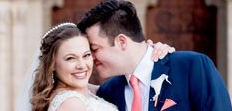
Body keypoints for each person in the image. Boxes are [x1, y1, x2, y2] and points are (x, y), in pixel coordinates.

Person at [77, 0, 232, 111]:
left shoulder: (192, 67)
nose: (90, 58)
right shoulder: (109, 91)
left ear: (122, 42)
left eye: (95, 49)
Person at [26, 22, 173, 111]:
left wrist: (147, 52)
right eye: (70, 58)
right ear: (52, 64)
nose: (82, 65)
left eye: (86, 55)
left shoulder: (88, 92)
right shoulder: (71, 104)